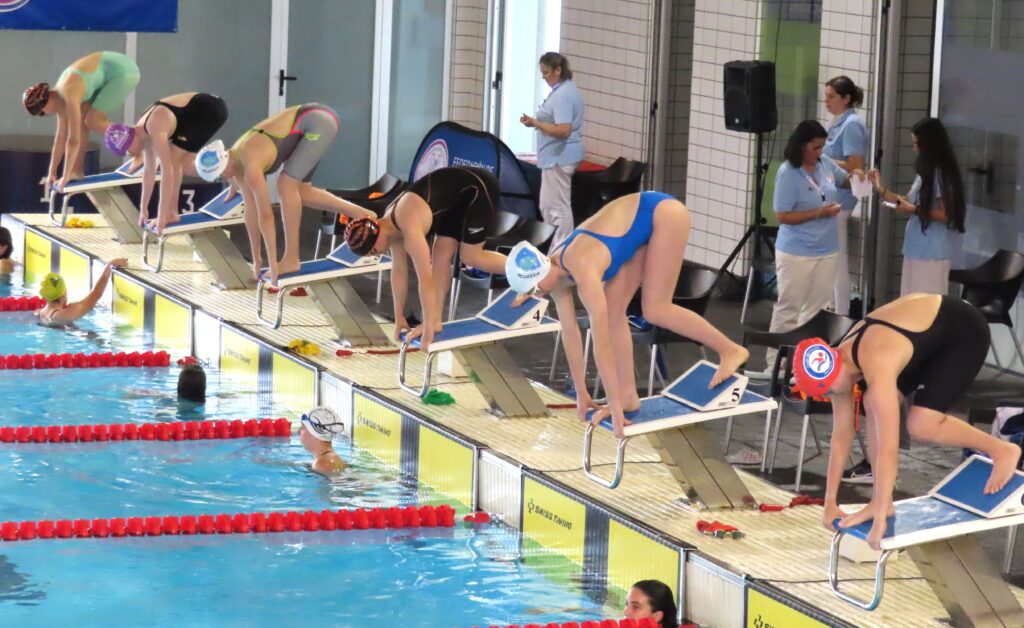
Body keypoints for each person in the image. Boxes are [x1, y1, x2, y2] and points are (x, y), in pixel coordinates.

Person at [505, 192, 749, 438]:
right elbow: (570, 333)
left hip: (662, 213)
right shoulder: (555, 276)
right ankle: (628, 396)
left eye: (534, 288)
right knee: (614, 312)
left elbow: (602, 347)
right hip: (634, 231)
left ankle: (730, 350)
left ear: (541, 271)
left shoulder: (582, 270)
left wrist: (613, 406)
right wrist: (581, 392)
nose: (537, 294)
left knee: (656, 309)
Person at [794, 293, 1022, 550]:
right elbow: (841, 436)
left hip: (962, 330)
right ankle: (880, 501)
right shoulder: (838, 362)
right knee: (871, 402)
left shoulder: (876, 360)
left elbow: (888, 447)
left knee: (921, 423)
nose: (829, 396)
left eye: (827, 391)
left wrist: (881, 518)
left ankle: (1002, 449)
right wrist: (829, 502)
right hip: (922, 339)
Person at [194, 104, 375, 285]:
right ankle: (364, 214)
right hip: (310, 121)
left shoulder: (250, 168)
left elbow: (266, 216)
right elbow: (251, 212)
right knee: (302, 191)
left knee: (286, 185)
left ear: (223, 163)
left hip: (317, 122)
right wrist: (257, 259)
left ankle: (291, 259)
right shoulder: (236, 163)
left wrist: (273, 263)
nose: (222, 179)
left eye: (219, 176)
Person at [345, 166, 509, 350]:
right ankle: (436, 320)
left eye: (373, 251)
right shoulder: (389, 229)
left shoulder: (408, 225)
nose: (377, 255)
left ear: (377, 237)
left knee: (471, 257)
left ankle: (527, 272)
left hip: (478, 186)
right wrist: (399, 316)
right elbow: (399, 271)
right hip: (455, 197)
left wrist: (427, 327)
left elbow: (426, 280)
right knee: (440, 253)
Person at [764, 120, 859, 369]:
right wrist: (819, 213)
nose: (820, 152)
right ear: (801, 146)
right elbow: (782, 215)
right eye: (815, 147)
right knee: (789, 307)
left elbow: (844, 180)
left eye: (822, 147)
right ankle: (775, 365)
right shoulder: (788, 173)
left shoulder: (824, 163)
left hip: (826, 249)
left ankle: (803, 365)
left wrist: (859, 177)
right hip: (796, 252)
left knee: (816, 310)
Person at [104, 92, 229, 236]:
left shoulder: (154, 127)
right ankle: (228, 169)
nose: (129, 154)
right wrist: (143, 208)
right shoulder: (142, 133)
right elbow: (149, 171)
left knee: (174, 162)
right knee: (183, 162)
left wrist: (162, 216)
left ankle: (172, 213)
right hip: (198, 110)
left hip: (208, 109)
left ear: (131, 139)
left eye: (128, 150)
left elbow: (167, 172)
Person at [868, 117, 966, 296]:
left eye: (916, 144)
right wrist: (880, 189)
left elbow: (946, 215)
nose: (914, 149)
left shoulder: (941, 174)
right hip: (915, 248)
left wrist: (914, 210)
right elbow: (907, 200)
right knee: (909, 303)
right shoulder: (926, 172)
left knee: (925, 306)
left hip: (931, 254)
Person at [22, 51, 141, 193]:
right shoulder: (59, 98)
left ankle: (142, 147)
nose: (44, 115)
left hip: (123, 71)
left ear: (45, 102)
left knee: (93, 120)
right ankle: (76, 171)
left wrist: (65, 175)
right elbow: (60, 138)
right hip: (110, 68)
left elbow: (73, 140)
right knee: (83, 120)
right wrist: (52, 172)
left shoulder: (69, 93)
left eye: (41, 113)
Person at [519, 51, 585, 249]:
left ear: (558, 70)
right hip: (554, 156)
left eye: (546, 73)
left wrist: (536, 123)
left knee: (558, 208)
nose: (544, 77)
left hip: (560, 156)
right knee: (547, 206)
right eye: (542, 73)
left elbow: (563, 130)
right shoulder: (562, 90)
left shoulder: (563, 95)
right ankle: (555, 248)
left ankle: (562, 250)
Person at [823, 76, 868, 316]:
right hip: (830, 196)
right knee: (829, 257)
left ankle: (842, 312)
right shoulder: (835, 122)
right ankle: (831, 305)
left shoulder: (852, 125)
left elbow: (855, 165)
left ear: (846, 98)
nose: (827, 101)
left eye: (831, 96)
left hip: (842, 198)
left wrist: (822, 159)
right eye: (826, 96)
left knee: (838, 258)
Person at [36, 258, 127, 326]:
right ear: (63, 293)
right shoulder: (61, 315)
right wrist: (109, 266)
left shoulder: (40, 313)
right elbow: (96, 294)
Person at [299, 407, 347, 476]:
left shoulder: (323, 464)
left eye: (303, 428)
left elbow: (340, 481)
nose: (298, 431)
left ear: (314, 433)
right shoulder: (327, 459)